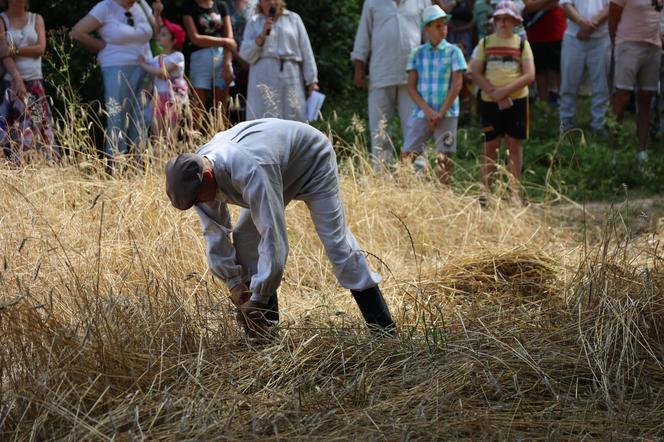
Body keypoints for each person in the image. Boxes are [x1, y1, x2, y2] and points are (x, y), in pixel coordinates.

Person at [165, 118, 395, 335]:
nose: (199, 205)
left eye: (197, 199)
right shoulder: (196, 181)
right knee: (246, 240)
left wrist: (259, 296)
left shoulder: (249, 170)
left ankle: (383, 329)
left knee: (337, 244)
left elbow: (272, 233)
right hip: (276, 165)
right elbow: (215, 233)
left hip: (311, 160)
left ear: (207, 175)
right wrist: (234, 284)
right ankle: (265, 335)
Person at [72, 0, 161, 161]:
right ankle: (116, 164)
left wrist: (157, 14)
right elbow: (77, 32)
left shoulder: (141, 5)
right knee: (117, 115)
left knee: (141, 118)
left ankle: (139, 165)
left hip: (146, 69)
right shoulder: (105, 7)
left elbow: (157, 34)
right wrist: (100, 45)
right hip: (116, 68)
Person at [351, 0, 432, 170]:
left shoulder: (422, 1)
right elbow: (363, 35)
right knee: (379, 130)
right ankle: (381, 178)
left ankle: (417, 176)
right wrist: (359, 67)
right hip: (380, 74)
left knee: (415, 129)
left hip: (413, 77)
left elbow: (429, 36)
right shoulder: (372, 2)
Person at [470, 1, 535, 199]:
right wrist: (492, 91)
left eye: (507, 18)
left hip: (516, 102)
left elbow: (529, 75)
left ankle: (513, 192)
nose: (502, 22)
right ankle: (485, 192)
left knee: (513, 144)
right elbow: (475, 71)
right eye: (499, 18)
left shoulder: (522, 44)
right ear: (494, 21)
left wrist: (504, 91)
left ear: (516, 21)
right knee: (490, 145)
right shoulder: (486, 43)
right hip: (490, 102)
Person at [402, 5, 467, 185]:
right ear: (427, 28)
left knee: (444, 157)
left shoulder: (454, 51)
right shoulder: (417, 53)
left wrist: (441, 112)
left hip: (447, 113)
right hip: (422, 113)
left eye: (444, 24)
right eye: (437, 25)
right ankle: (402, 192)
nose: (443, 29)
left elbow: (457, 85)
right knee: (408, 153)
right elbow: (411, 87)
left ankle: (443, 197)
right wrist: (429, 111)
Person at [239, 0, 318, 122]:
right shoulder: (254, 22)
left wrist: (312, 81)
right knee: (264, 118)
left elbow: (306, 50)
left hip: (291, 74)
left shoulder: (294, 19)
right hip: (263, 76)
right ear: (260, 2)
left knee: (294, 116)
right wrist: (262, 35)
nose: (271, 2)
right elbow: (246, 55)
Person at [0, 0, 56, 162]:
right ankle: (16, 165)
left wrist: (14, 50)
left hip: (35, 83)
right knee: (16, 129)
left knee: (41, 126)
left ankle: (46, 164)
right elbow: (3, 53)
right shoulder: (2, 20)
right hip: (12, 84)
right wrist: (18, 79)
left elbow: (40, 49)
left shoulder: (36, 19)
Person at [609, 0, 664, 161]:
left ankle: (642, 151)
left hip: (653, 46)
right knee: (623, 97)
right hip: (628, 43)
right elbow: (613, 18)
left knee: (646, 99)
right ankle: (613, 151)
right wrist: (616, 43)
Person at [558, 0, 610, 135]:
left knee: (601, 86)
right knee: (568, 84)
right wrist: (583, 23)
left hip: (601, 38)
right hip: (573, 36)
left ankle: (599, 124)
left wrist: (590, 25)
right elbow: (566, 4)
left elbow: (612, 6)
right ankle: (566, 124)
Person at [181, 0, 237, 121]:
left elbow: (230, 39)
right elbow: (195, 38)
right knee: (197, 109)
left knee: (221, 110)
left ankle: (221, 138)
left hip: (223, 58)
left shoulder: (221, 5)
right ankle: (195, 138)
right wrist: (224, 41)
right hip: (200, 58)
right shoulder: (189, 6)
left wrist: (228, 63)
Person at [138, 19, 188, 145]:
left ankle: (170, 158)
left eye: (164, 34)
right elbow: (154, 77)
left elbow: (163, 73)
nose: (159, 36)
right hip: (158, 98)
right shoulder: (156, 59)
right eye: (160, 34)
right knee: (157, 135)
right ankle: (159, 159)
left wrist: (143, 65)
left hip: (173, 99)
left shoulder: (178, 56)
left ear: (174, 40)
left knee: (171, 135)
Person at [523, 0, 566, 107]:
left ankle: (564, 106)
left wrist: (537, 6)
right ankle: (544, 108)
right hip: (535, 34)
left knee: (559, 70)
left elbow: (557, 2)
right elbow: (528, 7)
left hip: (556, 31)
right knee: (540, 72)